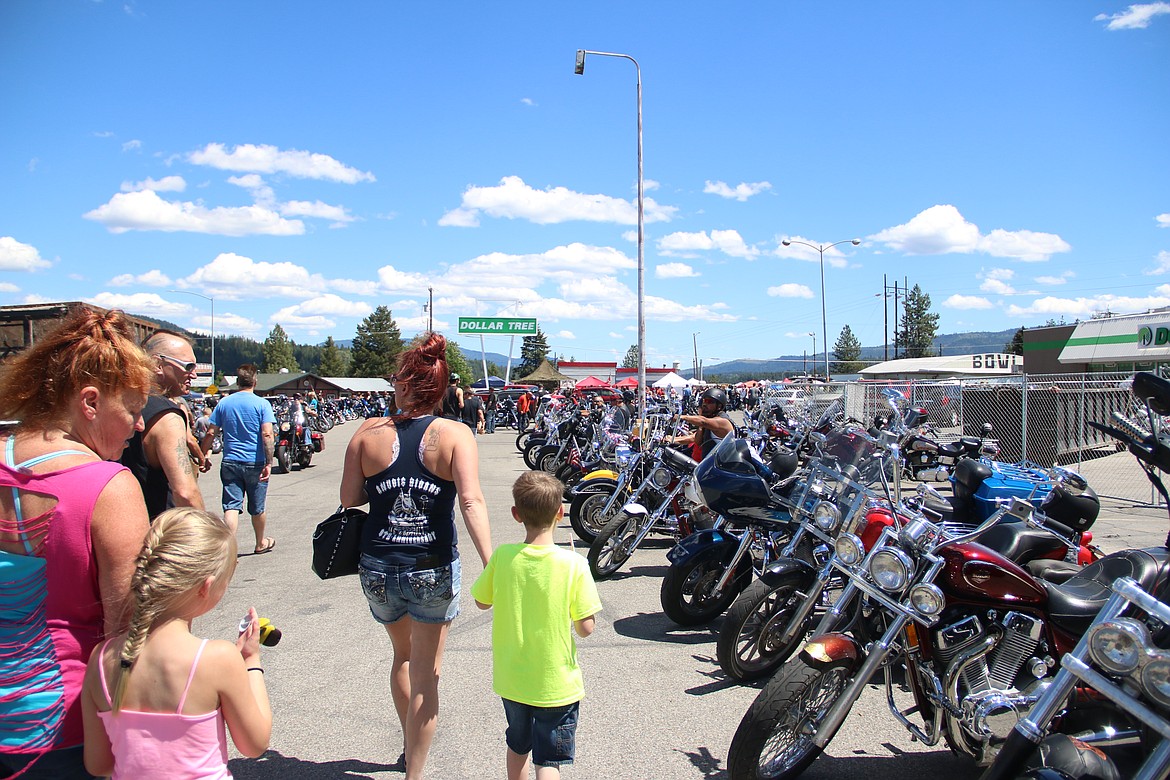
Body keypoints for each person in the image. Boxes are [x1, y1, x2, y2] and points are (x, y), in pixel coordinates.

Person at [0, 307, 155, 779]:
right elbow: (128, 632)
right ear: (89, 402)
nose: (139, 425)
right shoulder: (107, 486)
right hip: (63, 728)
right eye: (131, 409)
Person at [340, 333, 492, 780]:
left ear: (408, 385)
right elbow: (471, 502)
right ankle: (415, 772)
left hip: (378, 567)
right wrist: (491, 563)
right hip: (432, 565)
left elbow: (349, 499)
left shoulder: (366, 433)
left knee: (402, 659)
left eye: (396, 379)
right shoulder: (455, 434)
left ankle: (411, 751)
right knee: (427, 672)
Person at [80, 508, 273, 779]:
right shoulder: (217, 658)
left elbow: (99, 764)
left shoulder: (102, 658)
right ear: (207, 586)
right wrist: (251, 661)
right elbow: (255, 744)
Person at [472, 471, 601, 780]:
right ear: (560, 512)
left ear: (517, 515)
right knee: (548, 761)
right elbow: (586, 628)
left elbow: (481, 601)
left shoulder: (503, 556)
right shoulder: (574, 564)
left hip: (512, 680)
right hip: (555, 684)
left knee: (518, 745)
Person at [119, 331, 205, 519]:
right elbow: (186, 493)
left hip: (123, 524)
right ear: (158, 364)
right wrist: (209, 539)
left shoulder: (119, 402)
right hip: (159, 532)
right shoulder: (167, 416)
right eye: (188, 366)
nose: (194, 374)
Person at [203, 365, 276, 554]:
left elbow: (211, 432)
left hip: (230, 461)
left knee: (232, 506)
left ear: (237, 381)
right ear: (255, 381)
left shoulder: (224, 404)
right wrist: (269, 462)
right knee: (257, 507)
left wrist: (202, 454)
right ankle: (260, 543)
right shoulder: (262, 404)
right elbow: (267, 434)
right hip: (255, 462)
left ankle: (229, 549)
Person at [672, 386, 735, 460]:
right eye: (704, 401)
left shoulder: (723, 421)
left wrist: (681, 417)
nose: (704, 404)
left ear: (719, 406)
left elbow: (703, 421)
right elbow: (698, 441)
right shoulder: (709, 421)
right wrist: (701, 426)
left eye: (709, 402)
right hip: (707, 465)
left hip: (721, 467)